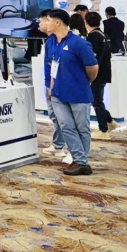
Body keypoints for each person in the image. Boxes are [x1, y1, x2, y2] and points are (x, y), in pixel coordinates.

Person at [45, 9, 99, 176]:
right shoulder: (50, 42)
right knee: (66, 127)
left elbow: (93, 68)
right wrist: (51, 87)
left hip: (78, 93)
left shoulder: (79, 43)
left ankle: (81, 161)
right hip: (58, 93)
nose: (45, 23)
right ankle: (80, 161)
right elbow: (52, 66)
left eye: (48, 20)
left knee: (82, 128)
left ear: (57, 22)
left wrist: (84, 82)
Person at [39, 10, 68, 160]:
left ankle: (60, 146)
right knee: (54, 116)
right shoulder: (50, 41)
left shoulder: (58, 41)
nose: (40, 24)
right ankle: (57, 144)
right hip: (49, 82)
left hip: (54, 84)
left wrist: (52, 86)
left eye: (42, 21)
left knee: (60, 117)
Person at [85, 11, 117, 139]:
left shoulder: (93, 36)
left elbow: (91, 57)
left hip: (97, 73)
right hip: (104, 71)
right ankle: (110, 121)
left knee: (97, 102)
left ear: (86, 22)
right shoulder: (103, 35)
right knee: (97, 100)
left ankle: (103, 130)